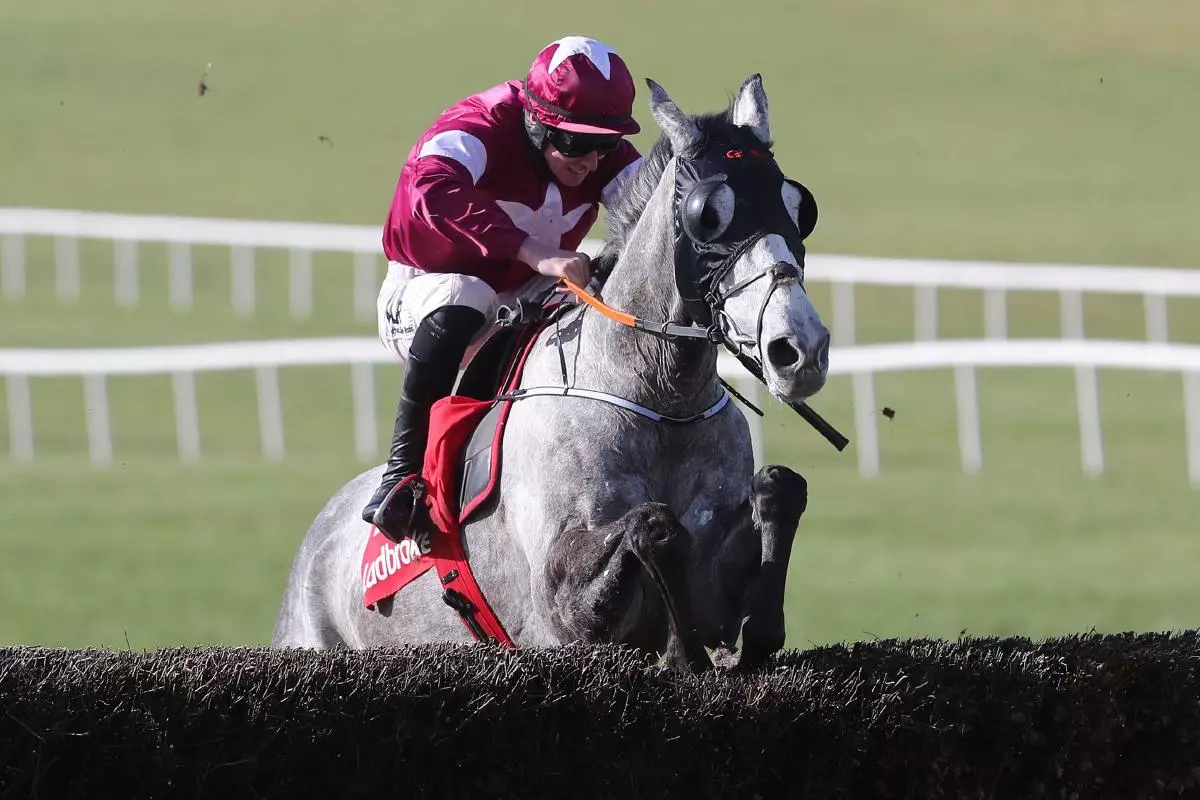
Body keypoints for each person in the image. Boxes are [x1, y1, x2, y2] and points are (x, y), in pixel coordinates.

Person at [364, 36, 645, 540]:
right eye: (577, 144)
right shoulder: (481, 122)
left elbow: (664, 209)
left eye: (604, 145)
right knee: (465, 297)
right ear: (538, 121)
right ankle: (400, 477)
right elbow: (428, 187)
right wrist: (532, 251)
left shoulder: (601, 155)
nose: (590, 161)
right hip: (425, 290)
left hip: (524, 296)